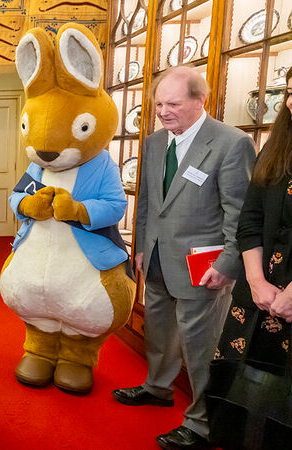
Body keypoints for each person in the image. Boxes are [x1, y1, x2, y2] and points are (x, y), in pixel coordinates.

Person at [112, 66, 256, 449]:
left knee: (200, 347)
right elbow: (147, 203)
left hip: (204, 268)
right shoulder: (155, 142)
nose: (163, 111)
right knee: (159, 333)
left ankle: (202, 423)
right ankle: (157, 387)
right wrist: (141, 246)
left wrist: (228, 264)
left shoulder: (231, 143)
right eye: (158, 103)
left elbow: (239, 214)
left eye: (173, 103)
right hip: (157, 258)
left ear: (200, 100)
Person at [213, 67, 292, 374]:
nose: (290, 103)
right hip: (257, 296)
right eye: (289, 94)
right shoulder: (275, 149)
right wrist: (257, 282)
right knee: (234, 392)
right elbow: (250, 220)